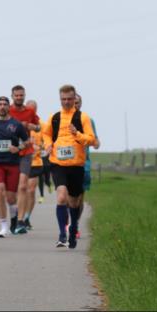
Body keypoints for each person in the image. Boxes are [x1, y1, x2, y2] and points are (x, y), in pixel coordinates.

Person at [42, 85, 96, 249]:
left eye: (69, 99)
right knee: (61, 197)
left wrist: (77, 134)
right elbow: (46, 133)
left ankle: (73, 228)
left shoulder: (83, 117)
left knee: (74, 202)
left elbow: (91, 139)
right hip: (58, 163)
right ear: (60, 99)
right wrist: (48, 144)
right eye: (63, 99)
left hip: (76, 165)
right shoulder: (54, 117)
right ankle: (62, 234)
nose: (66, 102)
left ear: (74, 99)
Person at [0, 96, 30, 237]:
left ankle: (14, 220)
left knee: (11, 198)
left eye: (5, 104)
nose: (2, 106)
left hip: (12, 164)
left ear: (9, 107)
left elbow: (27, 141)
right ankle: (3, 226)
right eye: (0, 104)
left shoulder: (16, 124)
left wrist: (18, 147)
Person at [9, 86, 40, 233]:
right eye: (17, 95)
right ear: (12, 96)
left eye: (21, 95)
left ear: (24, 95)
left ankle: (21, 220)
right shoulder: (7, 110)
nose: (19, 97)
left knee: (22, 186)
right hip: (10, 152)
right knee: (11, 191)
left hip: (26, 151)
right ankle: (14, 217)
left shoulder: (30, 111)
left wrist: (33, 126)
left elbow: (39, 127)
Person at [72, 93, 101, 238]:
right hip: (66, 163)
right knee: (65, 197)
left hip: (84, 164)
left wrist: (95, 142)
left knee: (79, 198)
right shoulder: (61, 119)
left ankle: (74, 224)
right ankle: (68, 222)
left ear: (80, 104)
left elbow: (95, 141)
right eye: (72, 102)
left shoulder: (88, 120)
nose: (74, 105)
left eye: (77, 102)